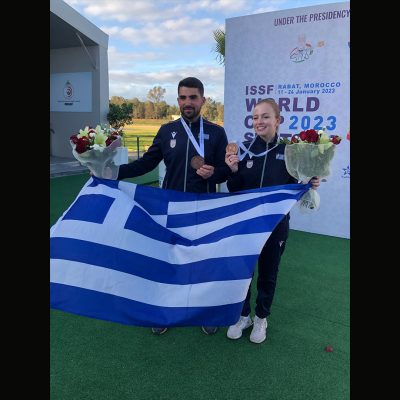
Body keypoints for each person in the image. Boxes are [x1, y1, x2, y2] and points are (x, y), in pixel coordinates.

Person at [117, 77, 231, 335]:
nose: (187, 102)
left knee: (203, 262)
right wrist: (113, 172)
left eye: (193, 97)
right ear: (178, 100)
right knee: (169, 261)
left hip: (204, 208)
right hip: (171, 209)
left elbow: (225, 172)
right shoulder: (167, 130)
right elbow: (146, 163)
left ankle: (205, 311)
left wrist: (213, 174)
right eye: (183, 97)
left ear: (203, 100)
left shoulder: (216, 133)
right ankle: (164, 312)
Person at [224, 98, 320, 344]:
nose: (259, 121)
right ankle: (243, 315)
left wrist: (310, 182)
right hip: (245, 225)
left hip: (275, 227)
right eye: (255, 117)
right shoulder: (243, 149)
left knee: (268, 274)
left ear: (278, 120)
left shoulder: (290, 152)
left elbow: (296, 187)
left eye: (265, 116)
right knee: (243, 273)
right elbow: (234, 189)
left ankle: (261, 318)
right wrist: (233, 171)